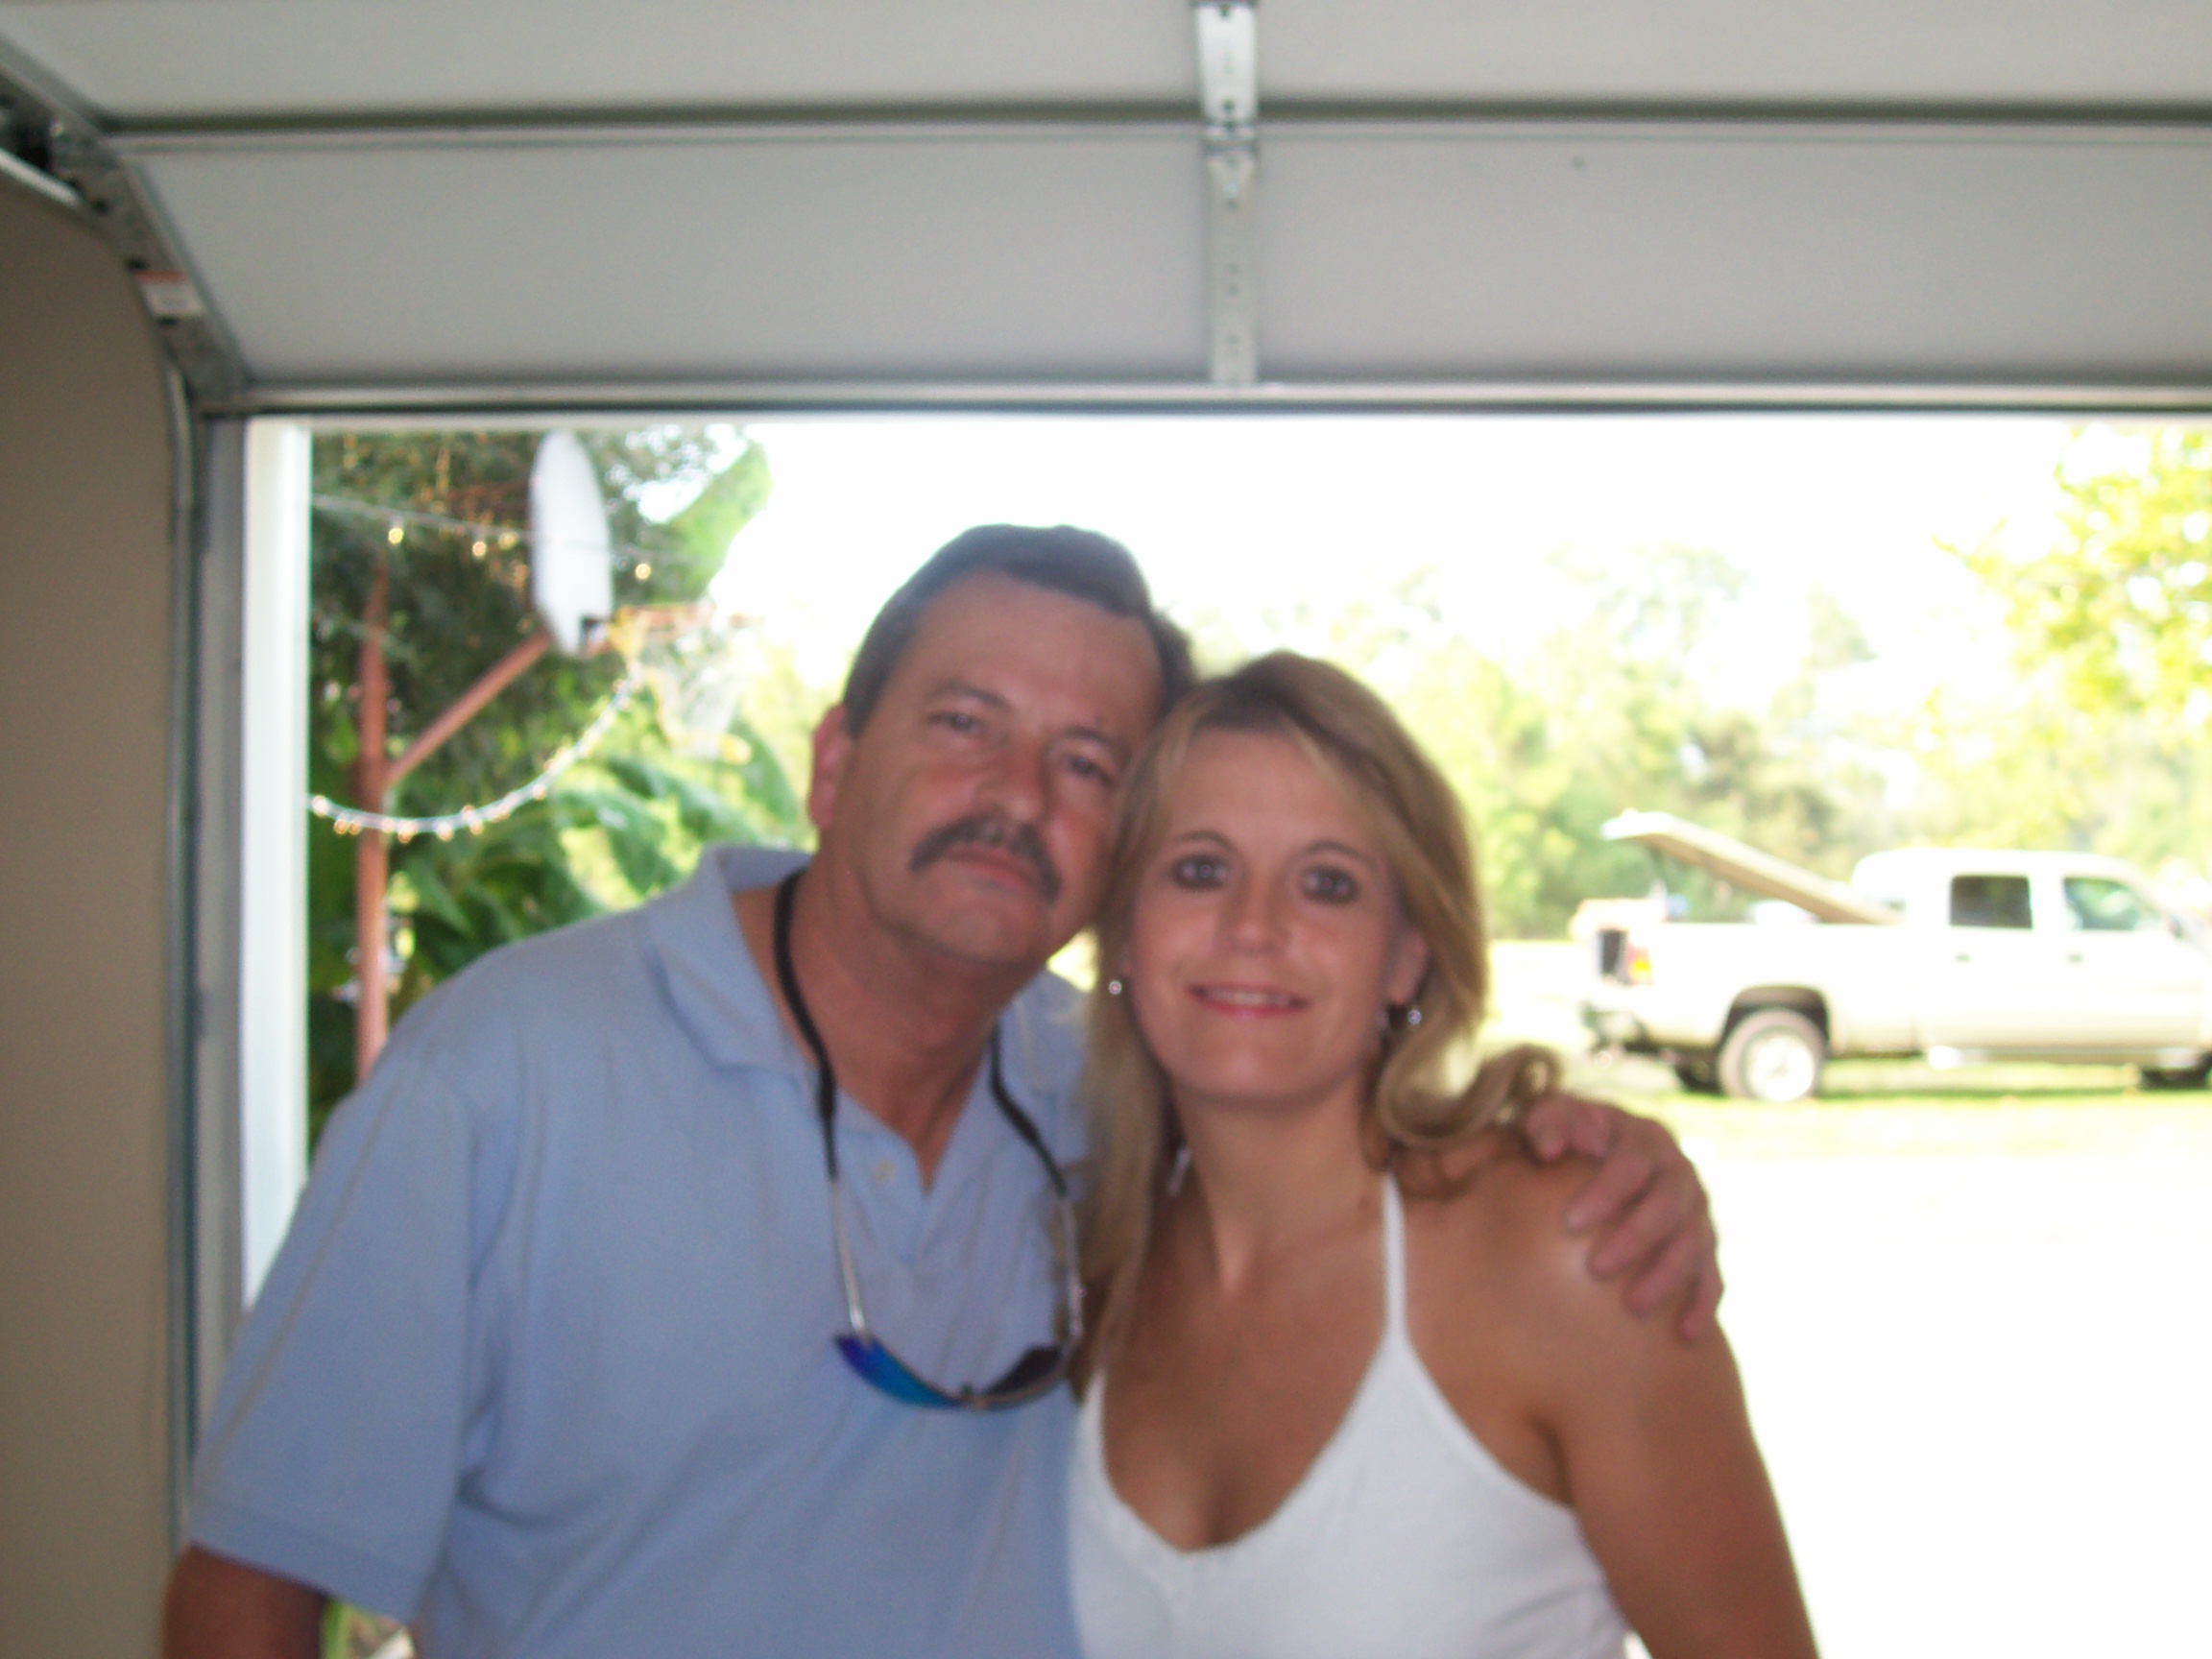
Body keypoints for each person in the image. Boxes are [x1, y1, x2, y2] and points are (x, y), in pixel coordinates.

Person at [164, 526, 1724, 1659]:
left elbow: (1342, 1142)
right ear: (836, 762)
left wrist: (1607, 1155)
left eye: (1087, 761)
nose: (1014, 795)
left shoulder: (1105, 1098)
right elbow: (248, 1587)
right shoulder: (505, 1079)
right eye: (965, 723)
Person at [1068, 652, 1815, 1659]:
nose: (1254, 926)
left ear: (1407, 955)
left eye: (1327, 884)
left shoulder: (1572, 1247)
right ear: (1123, 931)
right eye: (1201, 870)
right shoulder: (1084, 1265)